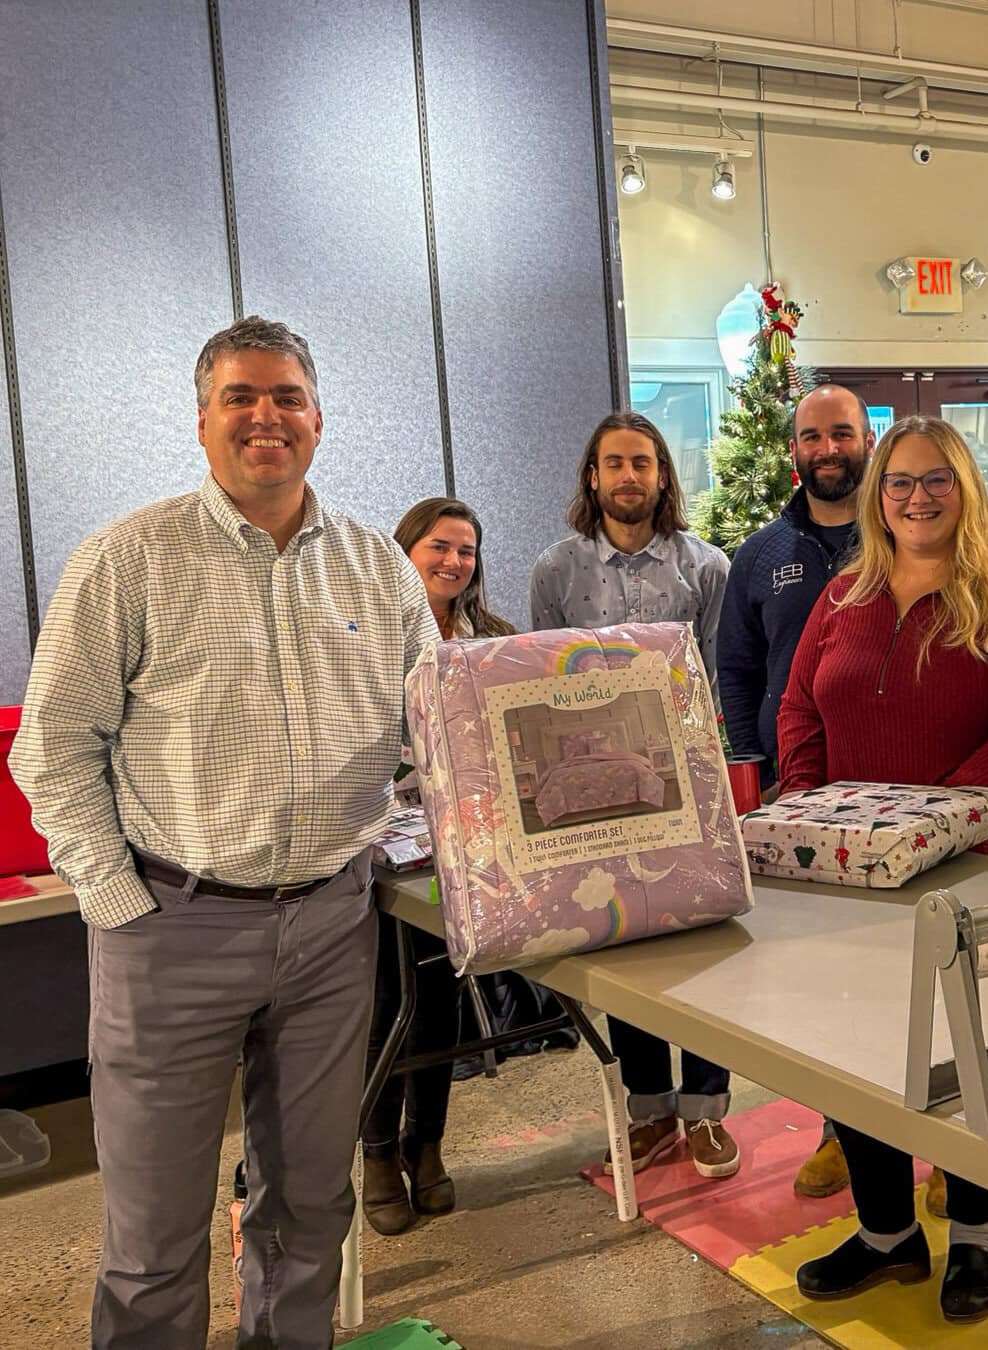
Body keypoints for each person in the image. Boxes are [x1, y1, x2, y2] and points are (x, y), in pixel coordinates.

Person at [9, 316, 437, 1348]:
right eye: (240, 396)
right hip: (171, 929)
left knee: (309, 1212)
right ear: (202, 421)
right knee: (154, 1239)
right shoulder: (128, 560)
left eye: (286, 395)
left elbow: (434, 727)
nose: (265, 415)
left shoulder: (378, 570)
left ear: (319, 419)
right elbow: (53, 749)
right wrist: (120, 905)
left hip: (332, 925)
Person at [779, 415, 988, 1325]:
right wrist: (808, 813)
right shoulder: (845, 593)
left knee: (964, 1054)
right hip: (854, 866)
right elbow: (799, 709)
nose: (916, 497)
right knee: (860, 1047)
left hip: (981, 857)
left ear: (965, 489)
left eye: (936, 480)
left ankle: (974, 1234)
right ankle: (885, 1235)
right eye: (900, 482)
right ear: (877, 494)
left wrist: (935, 820)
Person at [529, 409, 739, 1180]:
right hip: (595, 794)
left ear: (661, 475)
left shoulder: (707, 568)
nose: (628, 476)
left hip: (687, 786)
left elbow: (720, 682)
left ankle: (708, 1110)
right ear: (593, 475)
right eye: (614, 462)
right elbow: (539, 684)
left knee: (699, 944)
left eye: (642, 463)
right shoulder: (556, 571)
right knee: (626, 942)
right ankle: (650, 1108)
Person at [717, 383, 872, 1203]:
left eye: (841, 432)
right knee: (828, 978)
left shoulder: (907, 535)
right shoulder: (762, 556)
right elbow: (737, 671)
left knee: (924, 972)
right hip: (800, 796)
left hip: (905, 796)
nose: (827, 448)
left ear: (866, 439)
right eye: (812, 436)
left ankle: (953, 1150)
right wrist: (758, 770)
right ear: (794, 451)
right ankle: (842, 1134)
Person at [359, 497, 516, 1236]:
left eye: (467, 551)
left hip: (464, 849)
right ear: (406, 551)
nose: (455, 561)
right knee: (388, 1004)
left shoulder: (493, 639)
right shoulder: (369, 636)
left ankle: (429, 1148)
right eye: (440, 547)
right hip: (382, 849)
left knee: (443, 995)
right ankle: (379, 1155)